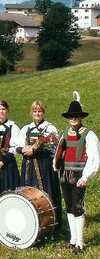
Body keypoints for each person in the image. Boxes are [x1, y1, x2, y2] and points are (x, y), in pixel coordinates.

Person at [54, 99, 99, 254]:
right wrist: (56, 166)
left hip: (79, 176)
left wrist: (85, 177)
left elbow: (94, 158)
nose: (73, 118)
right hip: (65, 176)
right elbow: (59, 154)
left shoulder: (89, 134)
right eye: (71, 116)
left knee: (78, 208)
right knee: (69, 208)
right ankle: (73, 240)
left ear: (81, 117)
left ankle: (80, 242)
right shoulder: (65, 134)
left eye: (76, 116)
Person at [17, 101, 62, 229]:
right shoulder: (26, 128)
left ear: (43, 112)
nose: (37, 113)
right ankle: (32, 225)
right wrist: (23, 150)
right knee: (30, 193)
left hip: (44, 165)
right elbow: (17, 146)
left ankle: (51, 225)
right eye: (35, 111)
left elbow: (53, 147)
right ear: (31, 113)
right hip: (29, 166)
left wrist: (35, 150)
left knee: (47, 191)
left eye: (39, 111)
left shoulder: (50, 128)